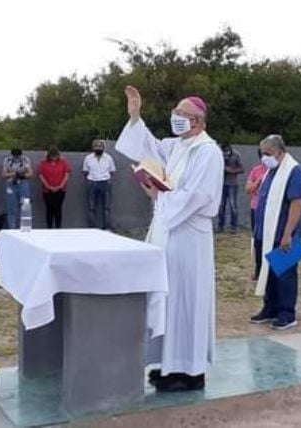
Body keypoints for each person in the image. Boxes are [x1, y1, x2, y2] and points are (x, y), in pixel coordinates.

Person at [116, 86, 223, 392]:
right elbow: (149, 150)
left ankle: (190, 372)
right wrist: (135, 115)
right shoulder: (177, 146)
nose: (175, 117)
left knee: (185, 300)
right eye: (174, 112)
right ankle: (167, 364)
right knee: (166, 299)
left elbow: (198, 195)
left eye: (181, 114)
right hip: (167, 232)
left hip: (189, 238)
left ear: (198, 121)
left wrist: (157, 197)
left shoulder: (208, 152)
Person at [250, 135, 301, 330]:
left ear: (280, 152)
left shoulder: (294, 171)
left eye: (268, 154)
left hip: (283, 233)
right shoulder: (270, 171)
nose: (264, 158)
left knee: (285, 274)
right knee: (268, 272)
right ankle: (270, 307)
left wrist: (287, 234)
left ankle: (286, 313)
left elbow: (296, 203)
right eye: (262, 154)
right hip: (265, 233)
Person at [82, 139, 116, 230]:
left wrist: (106, 178)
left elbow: (112, 171)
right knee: (91, 207)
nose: (98, 148)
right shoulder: (88, 158)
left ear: (103, 148)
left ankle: (107, 228)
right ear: (93, 148)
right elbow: (85, 171)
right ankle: (92, 229)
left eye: (100, 146)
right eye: (96, 146)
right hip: (92, 182)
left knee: (106, 207)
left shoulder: (109, 158)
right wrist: (92, 179)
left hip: (105, 182)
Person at [245, 149, 266, 280]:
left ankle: (273, 269)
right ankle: (259, 269)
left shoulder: (282, 170)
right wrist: (258, 181)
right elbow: (248, 189)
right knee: (258, 240)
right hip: (256, 207)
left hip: (273, 209)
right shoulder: (256, 170)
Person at [38, 146, 71, 229]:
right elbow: (40, 175)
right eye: (52, 156)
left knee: (58, 208)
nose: (54, 158)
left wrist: (61, 185)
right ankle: (49, 227)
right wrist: (48, 186)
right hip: (47, 190)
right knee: (49, 209)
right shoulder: (43, 163)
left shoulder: (63, 162)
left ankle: (58, 227)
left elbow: (66, 174)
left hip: (60, 189)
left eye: (56, 156)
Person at [2, 147, 33, 229]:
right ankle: (12, 228)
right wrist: (14, 174)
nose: (16, 157)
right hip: (11, 183)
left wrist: (21, 175)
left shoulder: (25, 159)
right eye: (15, 156)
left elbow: (30, 173)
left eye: (18, 156)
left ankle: (24, 227)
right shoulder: (7, 160)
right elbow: (4, 175)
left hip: (23, 183)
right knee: (11, 207)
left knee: (24, 205)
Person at [217, 142, 244, 234]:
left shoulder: (236, 155)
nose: (225, 153)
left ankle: (234, 227)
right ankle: (220, 226)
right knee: (221, 206)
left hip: (232, 183)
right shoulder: (218, 154)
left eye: (226, 151)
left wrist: (231, 170)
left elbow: (242, 169)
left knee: (233, 206)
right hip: (221, 184)